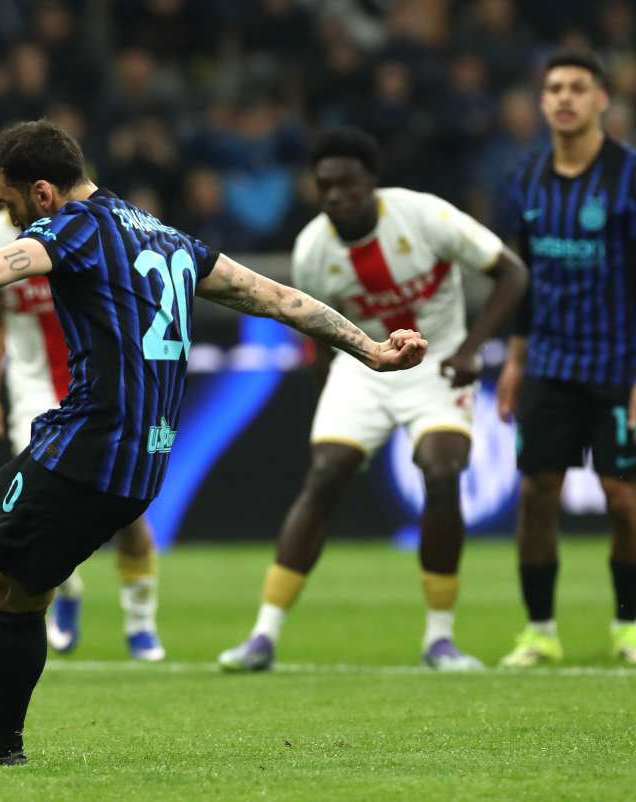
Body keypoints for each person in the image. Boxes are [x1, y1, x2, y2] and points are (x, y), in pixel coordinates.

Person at [0, 120, 429, 767]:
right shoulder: (165, 236)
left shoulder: (72, 226)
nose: (10, 219)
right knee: (1, 554)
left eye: (11, 205)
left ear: (43, 193)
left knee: (11, 591)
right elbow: (278, 298)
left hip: (91, 445)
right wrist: (371, 348)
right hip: (136, 453)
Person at [217, 129, 529, 673]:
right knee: (325, 473)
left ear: (371, 185)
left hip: (439, 364)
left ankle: (440, 639)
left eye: (347, 183)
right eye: (325, 186)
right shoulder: (314, 248)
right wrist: (327, 396)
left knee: (442, 469)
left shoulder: (425, 216)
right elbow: (318, 336)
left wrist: (472, 350)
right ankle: (263, 635)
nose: (336, 195)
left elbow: (512, 272)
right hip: (363, 368)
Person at [0, 208, 165, 662]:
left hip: (101, 388)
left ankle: (140, 624)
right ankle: (67, 592)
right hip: (33, 391)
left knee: (126, 513)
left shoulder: (91, 229)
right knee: (32, 513)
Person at [496, 49, 636, 667]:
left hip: (617, 364)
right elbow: (525, 280)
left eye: (578, 87)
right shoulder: (526, 179)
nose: (564, 97)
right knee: (536, 496)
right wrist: (515, 361)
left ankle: (628, 625)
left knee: (624, 499)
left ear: (602, 100)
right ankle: (540, 630)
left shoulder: (629, 178)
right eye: (554, 87)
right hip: (549, 362)